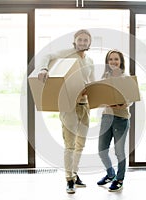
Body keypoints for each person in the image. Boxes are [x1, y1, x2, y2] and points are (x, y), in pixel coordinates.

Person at [37, 29, 95, 194]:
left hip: (85, 105)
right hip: (68, 105)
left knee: (80, 144)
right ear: (75, 41)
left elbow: (92, 83)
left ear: (90, 43)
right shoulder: (67, 53)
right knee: (69, 145)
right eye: (80, 40)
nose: (82, 43)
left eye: (85, 40)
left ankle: (75, 175)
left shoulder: (90, 61)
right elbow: (46, 56)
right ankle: (69, 179)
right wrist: (44, 69)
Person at [97, 50, 132, 192]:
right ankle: (110, 173)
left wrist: (125, 104)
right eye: (110, 59)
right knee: (102, 150)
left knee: (119, 151)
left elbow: (133, 97)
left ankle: (119, 178)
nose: (113, 62)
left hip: (121, 119)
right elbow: (99, 96)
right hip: (107, 117)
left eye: (116, 59)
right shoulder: (104, 77)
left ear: (121, 61)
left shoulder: (126, 78)